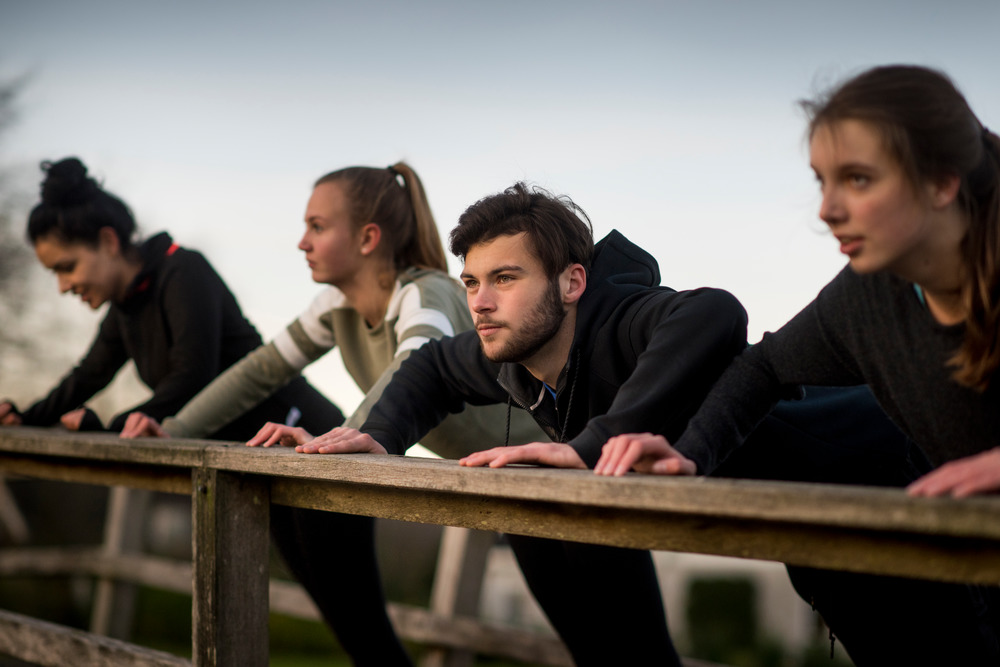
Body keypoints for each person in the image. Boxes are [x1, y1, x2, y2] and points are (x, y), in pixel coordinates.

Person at [276, 182, 921, 665]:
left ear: (573, 280)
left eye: (505, 277)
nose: (481, 302)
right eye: (471, 282)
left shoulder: (626, 318)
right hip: (800, 525)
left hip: (884, 483)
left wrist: (592, 444)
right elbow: (431, 370)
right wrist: (380, 435)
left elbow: (714, 313)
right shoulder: (512, 346)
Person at [596, 65, 1000, 665]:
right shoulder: (868, 299)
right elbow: (763, 368)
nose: (828, 209)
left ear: (941, 182)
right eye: (822, 181)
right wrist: (692, 452)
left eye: (858, 180)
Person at [121, 163, 548, 666]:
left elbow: (415, 369)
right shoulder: (335, 306)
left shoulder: (424, 293)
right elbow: (257, 371)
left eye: (317, 228)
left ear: (368, 238)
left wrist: (349, 435)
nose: (302, 242)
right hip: (508, 481)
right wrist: (174, 430)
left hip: (552, 466)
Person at [0, 156, 340, 439]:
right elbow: (87, 376)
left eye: (67, 267)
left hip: (307, 436)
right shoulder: (126, 306)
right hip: (251, 456)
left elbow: (192, 376)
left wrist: (111, 428)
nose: (62, 286)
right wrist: (24, 417)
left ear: (108, 242)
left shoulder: (183, 271)